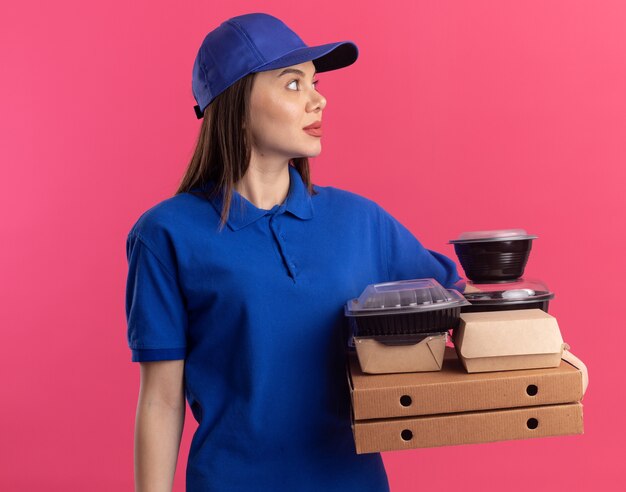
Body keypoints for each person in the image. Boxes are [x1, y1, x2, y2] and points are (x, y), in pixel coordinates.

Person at [125, 12, 462, 492]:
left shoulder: (359, 220)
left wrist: (551, 358)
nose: (318, 99)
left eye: (315, 83)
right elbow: (160, 400)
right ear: (236, 104)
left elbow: (458, 303)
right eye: (292, 85)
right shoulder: (165, 235)